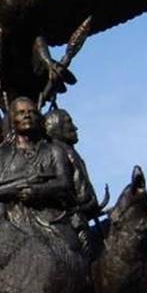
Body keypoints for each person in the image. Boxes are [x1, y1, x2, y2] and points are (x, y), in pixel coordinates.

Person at [0, 98, 78, 244]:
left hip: (51, 220)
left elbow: (65, 183)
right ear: (12, 119)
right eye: (21, 112)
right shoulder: (0, 154)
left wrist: (38, 190)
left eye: (32, 112)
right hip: (14, 222)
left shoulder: (54, 150)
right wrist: (19, 189)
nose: (27, 115)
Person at [44, 108, 99, 256]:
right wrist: (89, 204)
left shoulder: (68, 152)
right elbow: (81, 194)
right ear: (55, 127)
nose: (74, 128)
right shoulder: (62, 153)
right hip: (74, 223)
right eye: (68, 123)